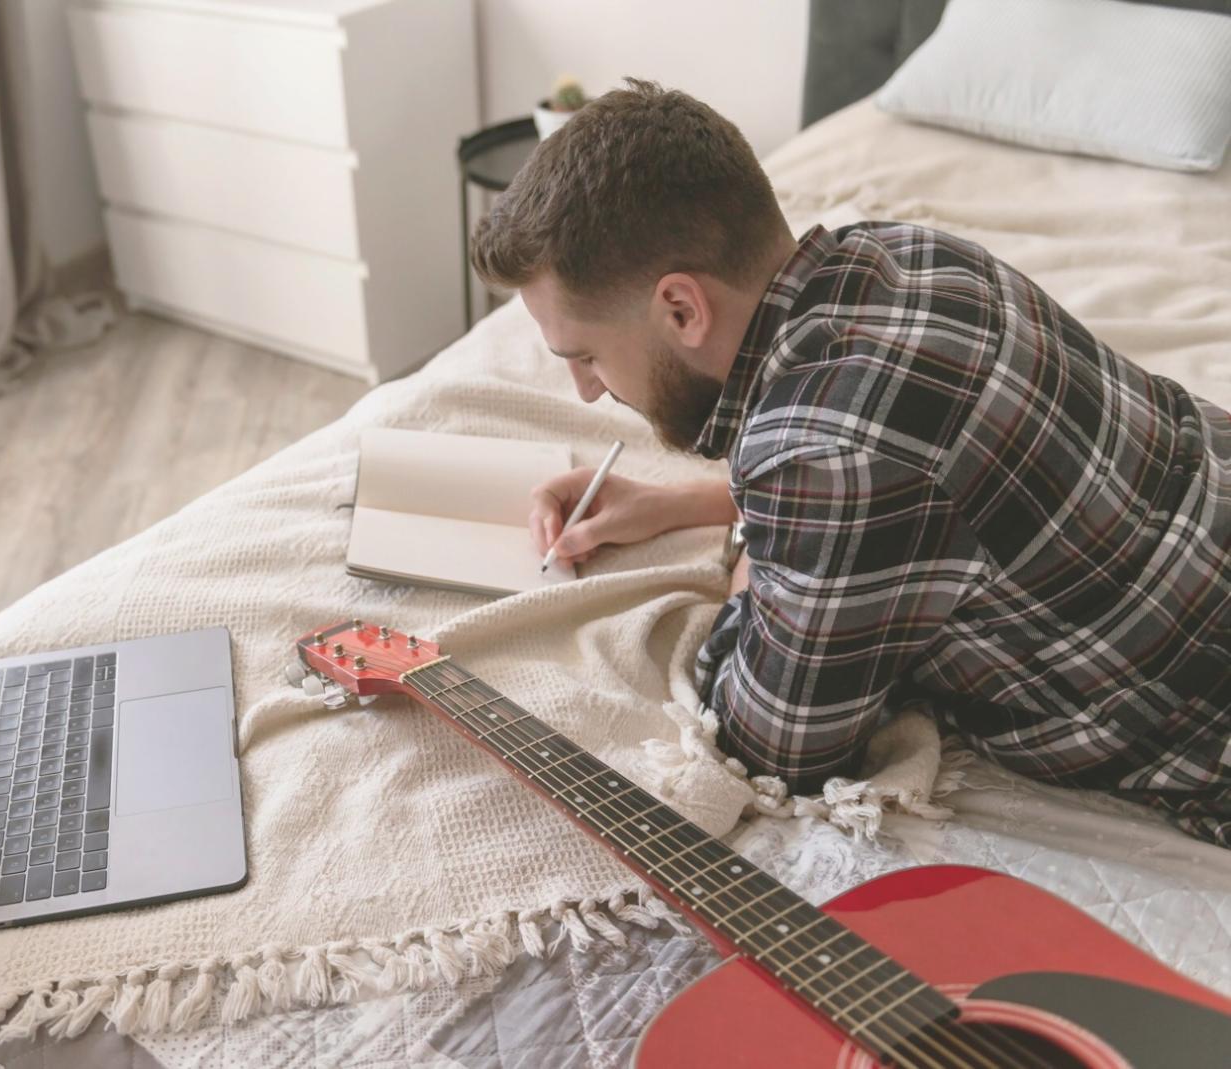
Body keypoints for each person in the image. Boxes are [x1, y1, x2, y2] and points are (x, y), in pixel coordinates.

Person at [470, 78, 1230, 847]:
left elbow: (767, 748)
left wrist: (752, 550)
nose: (587, 389)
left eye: (586, 354)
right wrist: (691, 501)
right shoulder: (906, 251)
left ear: (681, 309)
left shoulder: (823, 460)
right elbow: (932, 470)